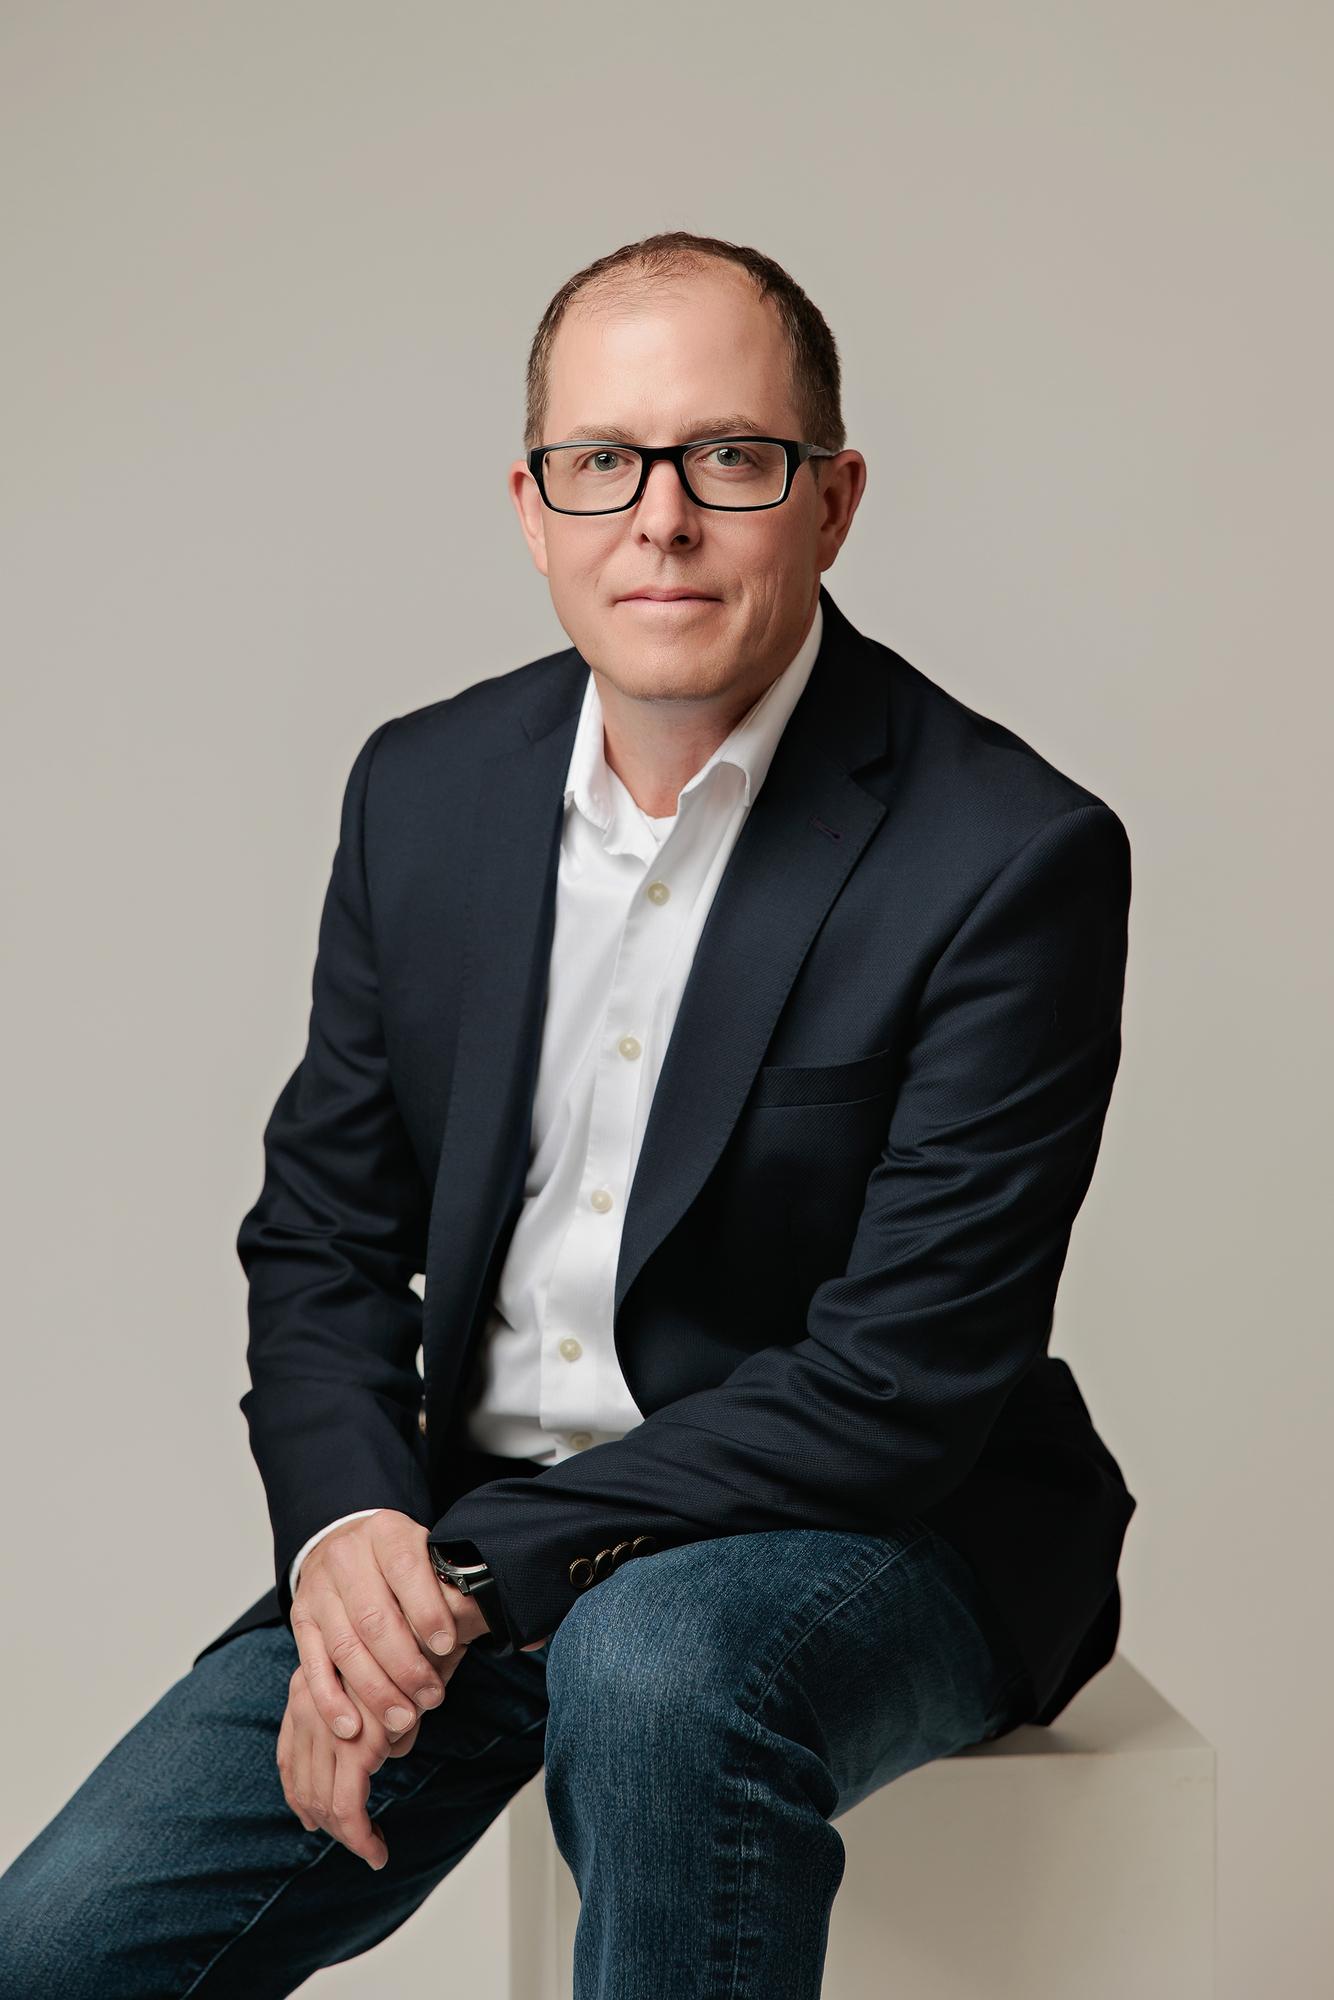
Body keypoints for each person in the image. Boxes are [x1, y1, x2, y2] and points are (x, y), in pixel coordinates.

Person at [0, 229, 1137, 1998]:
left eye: (728, 459)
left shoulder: (1005, 855)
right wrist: (354, 1539)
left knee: (659, 1666)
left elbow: (898, 1385)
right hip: (463, 1530)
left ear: (831, 502)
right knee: (55, 1948)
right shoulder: (426, 789)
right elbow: (322, 1234)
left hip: (871, 1532)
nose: (657, 518)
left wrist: (462, 1570)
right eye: (600, 462)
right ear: (532, 507)